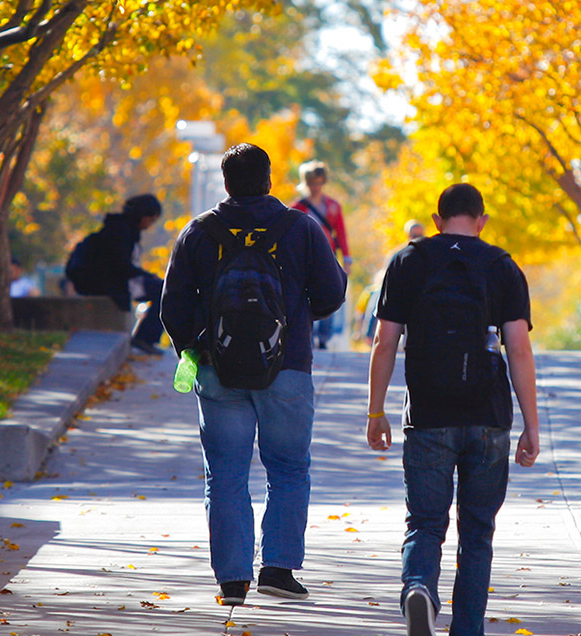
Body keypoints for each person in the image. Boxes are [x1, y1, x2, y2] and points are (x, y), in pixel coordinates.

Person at [160, 144, 346, 605]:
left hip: (218, 370)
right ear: (269, 179)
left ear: (226, 183)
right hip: (287, 367)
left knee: (224, 472)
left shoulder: (200, 231)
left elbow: (173, 306)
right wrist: (299, 320)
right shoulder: (301, 228)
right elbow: (331, 292)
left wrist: (195, 349)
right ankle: (278, 569)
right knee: (287, 467)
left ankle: (232, 578)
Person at [366, 183, 539, 636]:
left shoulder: (408, 261)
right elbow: (519, 351)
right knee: (478, 531)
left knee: (425, 522)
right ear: (481, 221)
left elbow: (385, 341)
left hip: (428, 414)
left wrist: (375, 411)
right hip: (488, 417)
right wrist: (531, 424)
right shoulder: (502, 266)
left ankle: (419, 586)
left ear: (437, 219)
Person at [67, 193, 165, 355]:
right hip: (112, 282)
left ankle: (144, 337)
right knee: (165, 292)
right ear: (142, 215)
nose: (149, 226)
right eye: (151, 220)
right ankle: (145, 338)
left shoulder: (125, 230)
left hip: (119, 280)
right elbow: (121, 265)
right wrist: (147, 275)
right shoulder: (120, 232)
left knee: (162, 289)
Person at [290, 160, 351, 349]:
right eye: (311, 183)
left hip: (327, 254)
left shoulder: (333, 206)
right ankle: (308, 332)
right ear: (305, 183)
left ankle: (324, 336)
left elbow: (340, 233)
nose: (315, 187)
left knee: (329, 290)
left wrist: (346, 258)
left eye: (319, 183)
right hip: (304, 257)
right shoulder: (297, 207)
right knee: (304, 293)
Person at [362, 218, 426, 342]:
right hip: (399, 291)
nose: (417, 238)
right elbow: (387, 276)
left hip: (421, 291)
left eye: (420, 235)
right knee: (378, 296)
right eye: (414, 235)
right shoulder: (398, 254)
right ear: (408, 235)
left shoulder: (429, 254)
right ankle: (371, 335)